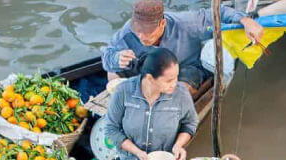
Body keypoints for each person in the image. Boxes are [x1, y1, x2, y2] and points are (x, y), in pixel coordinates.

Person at [102, 0, 264, 94]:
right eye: (138, 31)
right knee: (113, 70)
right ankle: (122, 101)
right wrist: (116, 58)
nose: (142, 37)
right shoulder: (127, 32)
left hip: (184, 68)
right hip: (148, 69)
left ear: (162, 24)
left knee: (183, 89)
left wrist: (246, 21)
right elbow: (107, 57)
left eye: (148, 33)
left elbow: (220, 12)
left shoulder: (186, 23)